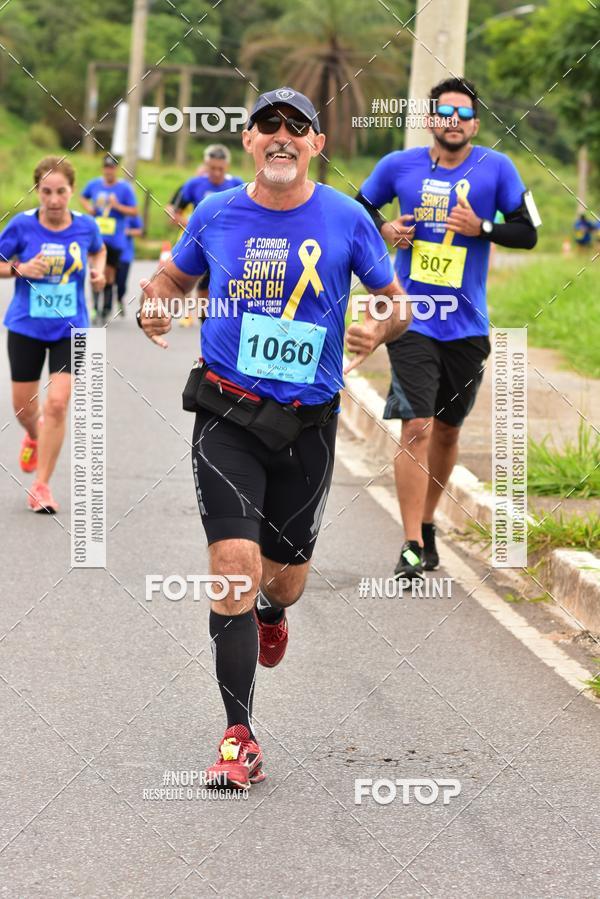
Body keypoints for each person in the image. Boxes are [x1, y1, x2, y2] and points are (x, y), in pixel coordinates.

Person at [137, 88, 409, 789]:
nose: (281, 135)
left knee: (282, 579)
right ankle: (238, 735)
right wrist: (155, 307)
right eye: (268, 126)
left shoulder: (348, 217)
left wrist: (378, 327)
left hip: (307, 426)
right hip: (226, 413)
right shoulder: (217, 211)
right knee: (232, 563)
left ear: (317, 143)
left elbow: (395, 303)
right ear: (251, 142)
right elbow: (171, 277)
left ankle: (272, 609)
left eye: (297, 126)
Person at [356, 77, 539, 579]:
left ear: (474, 124)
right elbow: (357, 212)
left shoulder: (497, 168)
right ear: (431, 119)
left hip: (467, 324)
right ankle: (411, 541)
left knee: (448, 431)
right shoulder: (398, 166)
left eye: (463, 115)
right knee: (415, 424)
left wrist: (480, 227)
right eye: (445, 114)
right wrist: (386, 229)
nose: (453, 123)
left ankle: (430, 522)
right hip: (410, 316)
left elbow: (528, 232)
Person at [0, 156, 105, 512]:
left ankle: (41, 486)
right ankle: (33, 434)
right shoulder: (21, 226)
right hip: (26, 326)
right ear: (37, 191)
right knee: (24, 407)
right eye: (46, 192)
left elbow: (99, 250)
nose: (55, 200)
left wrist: (98, 272)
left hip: (70, 328)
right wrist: (19, 268)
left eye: (61, 191)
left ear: (72, 191)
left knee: (58, 403)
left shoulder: (86, 226)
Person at [80, 154, 138, 320]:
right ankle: (95, 307)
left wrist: (117, 206)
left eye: (112, 168)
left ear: (116, 169)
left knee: (109, 273)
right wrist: (89, 208)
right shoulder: (94, 184)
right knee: (95, 270)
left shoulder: (124, 188)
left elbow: (134, 211)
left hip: (115, 238)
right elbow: (83, 197)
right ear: (102, 169)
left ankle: (106, 307)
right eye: (106, 167)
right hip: (97, 236)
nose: (109, 171)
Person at [115, 214, 143, 316]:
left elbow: (140, 231)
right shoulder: (107, 212)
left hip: (125, 255)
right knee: (107, 282)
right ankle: (103, 308)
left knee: (121, 283)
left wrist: (127, 232)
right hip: (110, 254)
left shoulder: (130, 214)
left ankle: (119, 299)